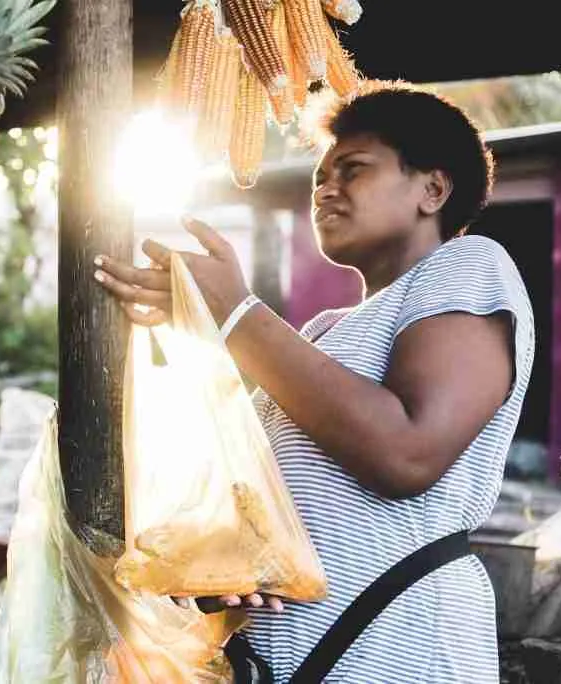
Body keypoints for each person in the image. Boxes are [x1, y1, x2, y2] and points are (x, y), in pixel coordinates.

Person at [93, 81, 536, 682]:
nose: (325, 189)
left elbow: (407, 453)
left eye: (352, 170)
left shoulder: (469, 265)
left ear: (432, 189)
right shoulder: (323, 333)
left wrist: (237, 314)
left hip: (406, 652)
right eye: (319, 178)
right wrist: (227, 574)